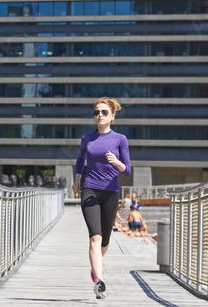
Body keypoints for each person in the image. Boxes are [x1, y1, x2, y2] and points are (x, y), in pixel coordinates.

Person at [72, 97, 131, 299]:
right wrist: (77, 180)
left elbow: (127, 170)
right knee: (95, 237)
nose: (99, 115)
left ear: (112, 116)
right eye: (97, 112)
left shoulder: (120, 139)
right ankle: (99, 281)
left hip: (111, 192)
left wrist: (117, 162)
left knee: (105, 240)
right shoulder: (87, 138)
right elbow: (80, 160)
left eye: (104, 112)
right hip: (89, 190)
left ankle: (95, 267)